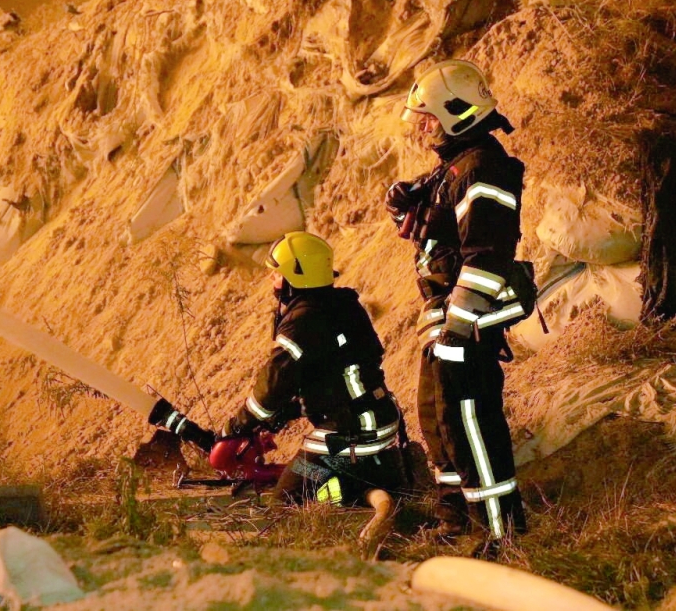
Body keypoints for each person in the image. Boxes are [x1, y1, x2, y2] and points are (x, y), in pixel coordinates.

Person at [386, 59, 529, 546]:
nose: (424, 128)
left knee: (471, 420)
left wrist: (459, 328)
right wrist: (408, 205)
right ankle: (454, 522)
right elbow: (441, 235)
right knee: (438, 418)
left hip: (469, 321)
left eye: (429, 118)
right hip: (447, 318)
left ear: (457, 113)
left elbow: (487, 254)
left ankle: (501, 531)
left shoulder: (483, 167)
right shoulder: (455, 165)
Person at [222, 231, 408, 510]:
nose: (271, 280)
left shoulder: (303, 319)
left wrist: (237, 426)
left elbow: (274, 383)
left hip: (348, 437)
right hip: (379, 423)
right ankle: (370, 480)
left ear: (293, 277)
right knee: (308, 475)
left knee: (285, 503)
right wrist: (283, 417)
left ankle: (349, 493)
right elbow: (330, 379)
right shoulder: (343, 305)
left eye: (276, 274)